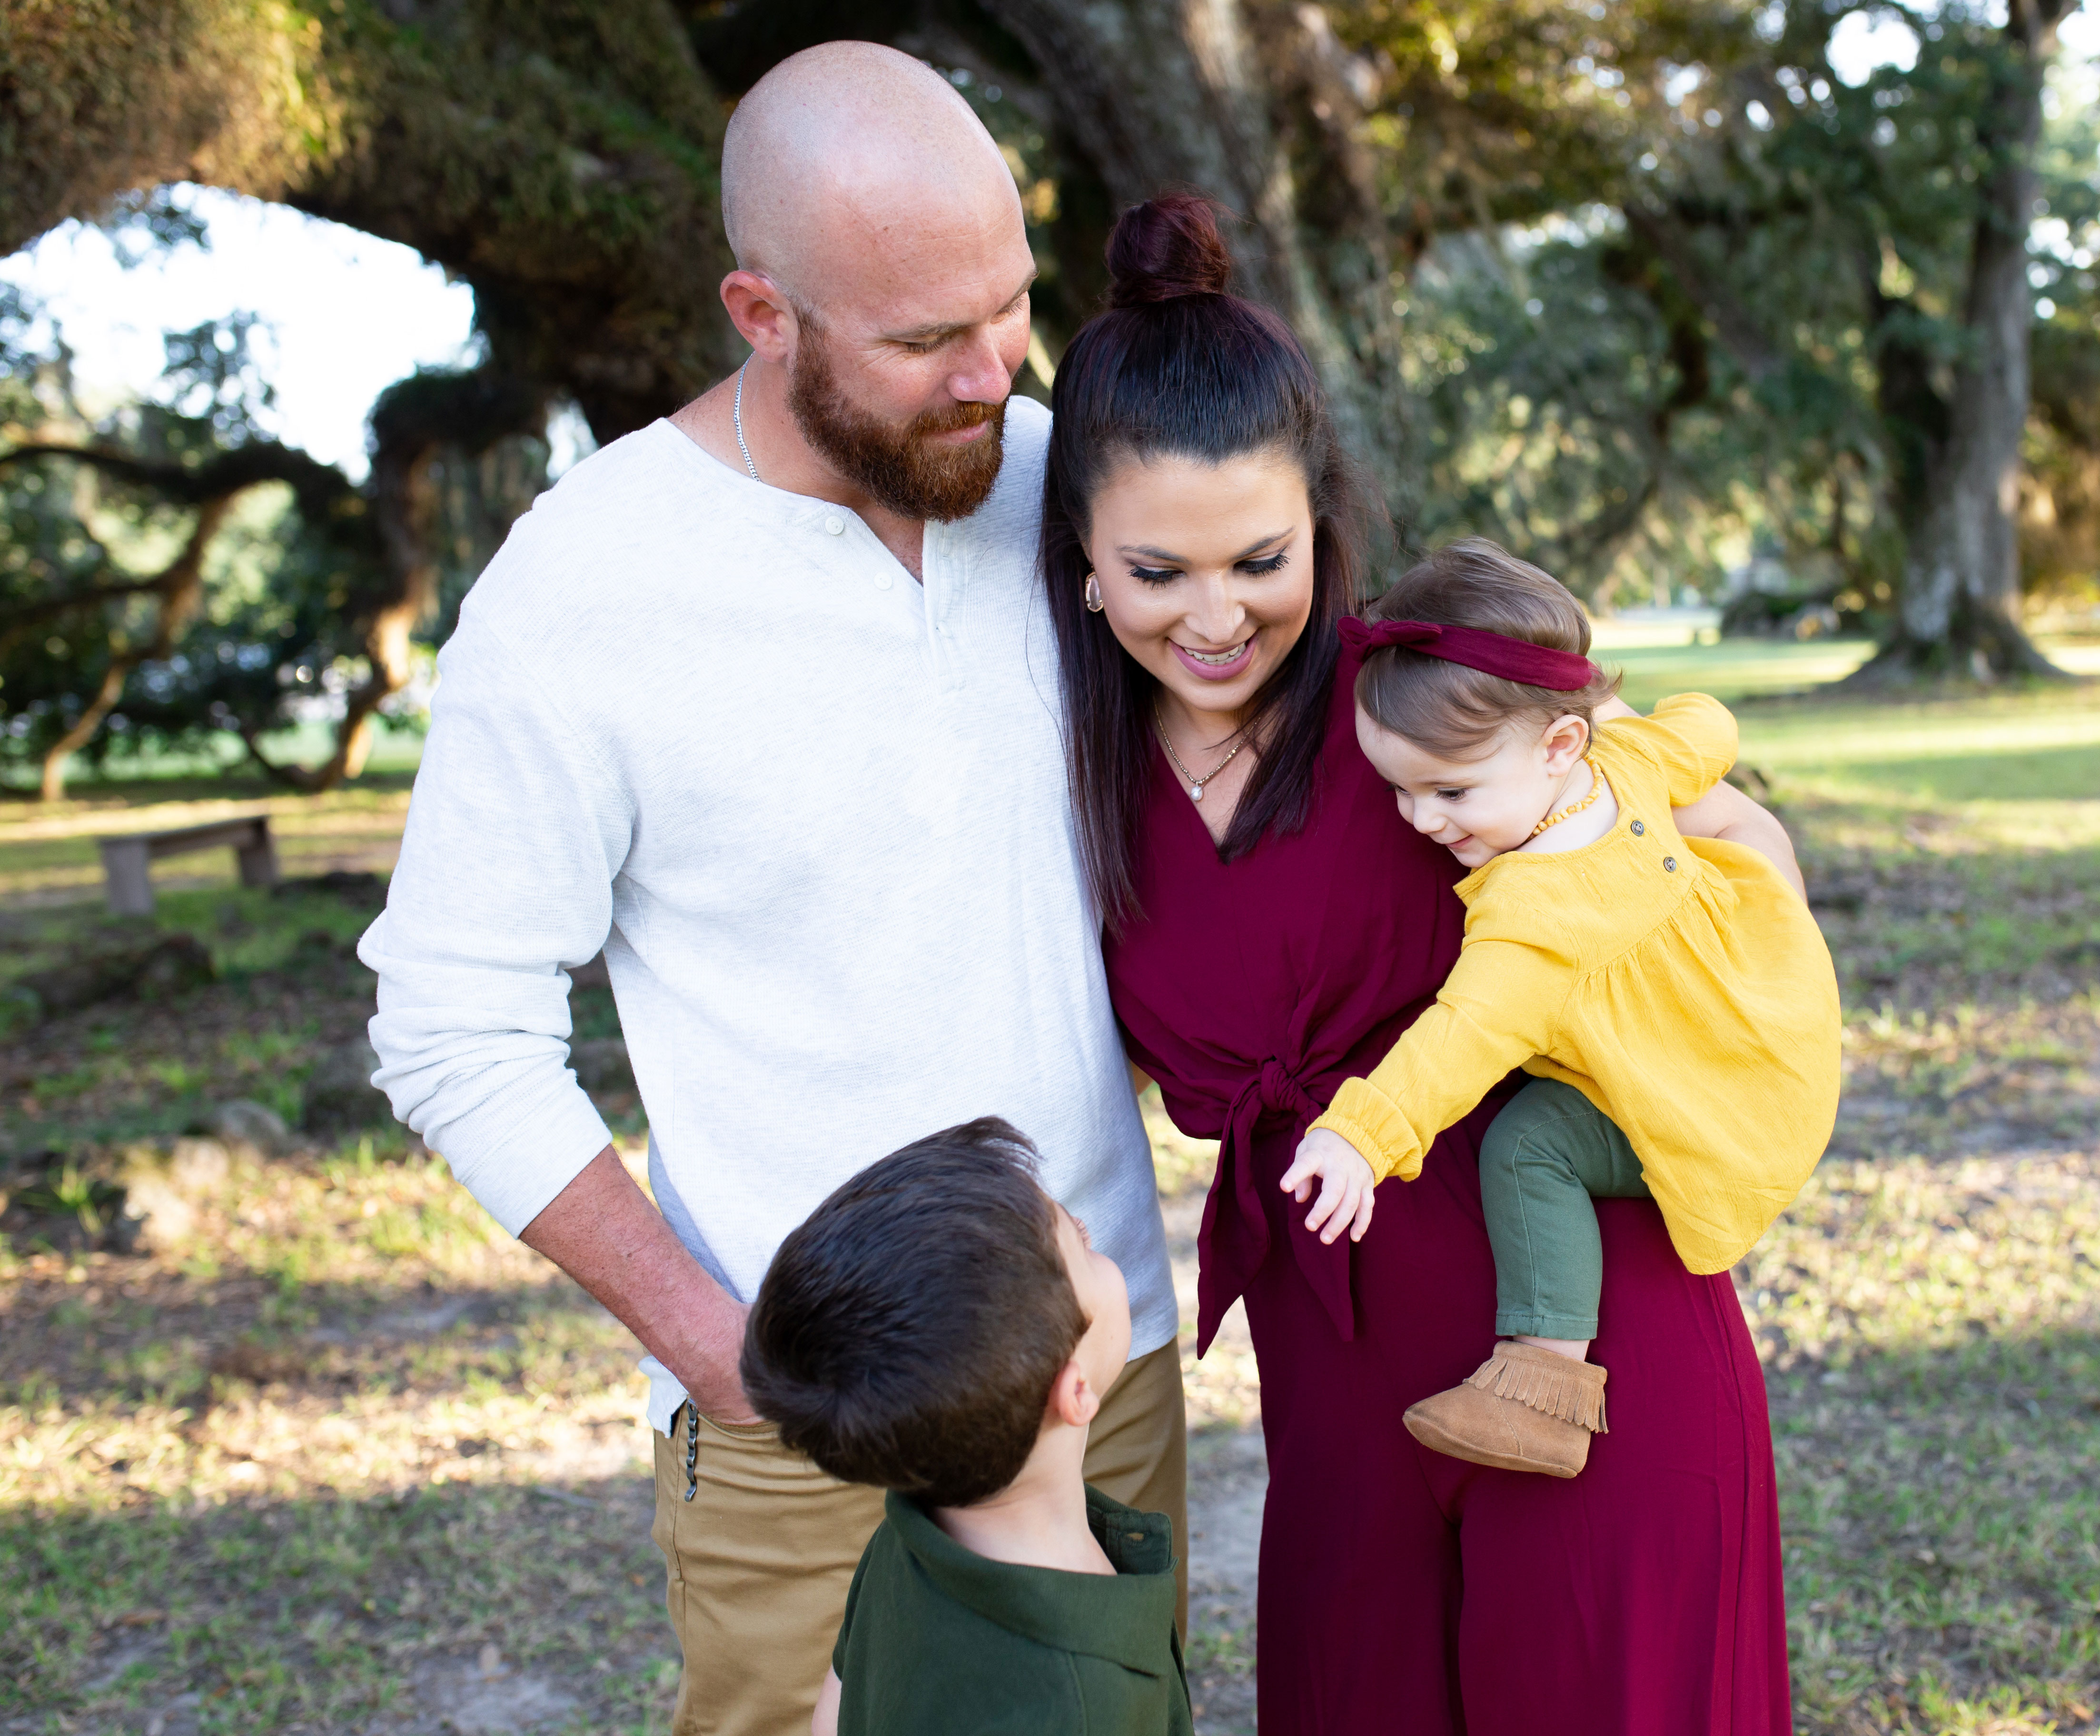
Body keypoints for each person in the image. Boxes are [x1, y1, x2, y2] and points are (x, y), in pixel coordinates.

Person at [359, 43, 1184, 1736]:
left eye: (1010, 305)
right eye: (921, 340)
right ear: (764, 311)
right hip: (805, 1423)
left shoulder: (1068, 487)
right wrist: (722, 1348)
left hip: (1109, 1373)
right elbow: (453, 1024)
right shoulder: (587, 583)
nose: (992, 373)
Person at [1041, 190, 1797, 1734]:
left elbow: (1719, 832)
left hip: (1587, 1336)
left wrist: (1739, 1058)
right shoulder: (1063, 776)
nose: (1215, 615)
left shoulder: (1422, 715)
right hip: (1339, 1371)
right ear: (1083, 559)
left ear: (1322, 514)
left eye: (1259, 556)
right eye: (1157, 570)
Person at [1277, 539, 1842, 1479]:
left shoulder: (1532, 917)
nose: (1421, 821)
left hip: (1709, 1099)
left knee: (1529, 1143)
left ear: (1557, 745)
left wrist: (1357, 1138)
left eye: (1450, 790)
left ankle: (1544, 1382)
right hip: (1765, 1039)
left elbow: (1456, 1042)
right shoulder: (1626, 760)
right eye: (1401, 791)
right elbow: (1706, 728)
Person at [740, 1118, 1193, 1736]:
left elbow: (834, 1720)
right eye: (1082, 1252)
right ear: (1076, 1390)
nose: (1087, 1230)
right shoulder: (1082, 1700)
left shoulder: (908, 1546)